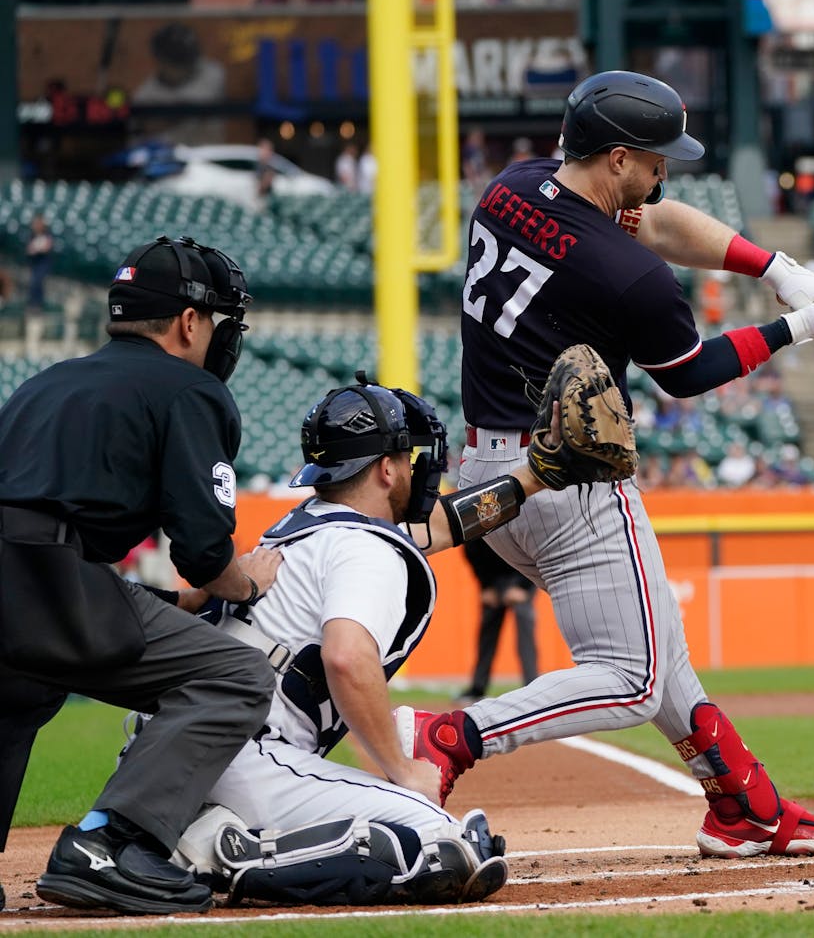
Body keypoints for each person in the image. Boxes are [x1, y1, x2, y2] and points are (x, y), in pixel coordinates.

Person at [400, 69, 814, 860]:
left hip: (488, 472)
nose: (662, 173)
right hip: (569, 479)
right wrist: (799, 328)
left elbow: (659, 222)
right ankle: (454, 734)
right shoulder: (629, 274)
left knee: (658, 642)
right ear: (616, 158)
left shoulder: (515, 186)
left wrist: (772, 266)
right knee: (634, 673)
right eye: (651, 160)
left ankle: (743, 800)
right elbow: (687, 372)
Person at [146, 378, 548, 907]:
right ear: (386, 468)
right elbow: (346, 656)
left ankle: (203, 829)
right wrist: (403, 771)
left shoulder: (304, 525)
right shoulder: (366, 545)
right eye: (407, 455)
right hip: (244, 754)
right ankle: (230, 849)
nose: (416, 467)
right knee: (447, 842)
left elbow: (447, 525)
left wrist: (537, 477)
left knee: (440, 839)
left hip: (175, 750)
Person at [0, 235, 283, 915]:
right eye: (216, 320)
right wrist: (246, 581)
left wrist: (167, 600)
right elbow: (206, 555)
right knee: (237, 675)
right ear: (190, 322)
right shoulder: (189, 388)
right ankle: (108, 841)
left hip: (36, 584)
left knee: (19, 689)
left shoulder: (45, 381)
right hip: (46, 582)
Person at [457, 537, 539, 703]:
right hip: (493, 580)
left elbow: (535, 551)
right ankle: (477, 687)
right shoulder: (483, 520)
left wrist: (523, 587)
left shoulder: (522, 517)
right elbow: (471, 551)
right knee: (487, 632)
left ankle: (532, 686)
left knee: (525, 629)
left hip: (522, 577)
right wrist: (486, 586)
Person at [24, 214, 54, 314]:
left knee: (38, 282)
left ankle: (38, 305)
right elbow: (29, 249)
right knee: (33, 283)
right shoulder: (32, 235)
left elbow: (47, 247)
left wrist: (38, 249)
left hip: (43, 262)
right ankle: (32, 304)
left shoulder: (47, 234)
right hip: (35, 262)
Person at [255, 138, 279, 208]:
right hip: (260, 199)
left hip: (266, 199)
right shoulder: (259, 165)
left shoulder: (270, 166)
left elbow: (265, 185)